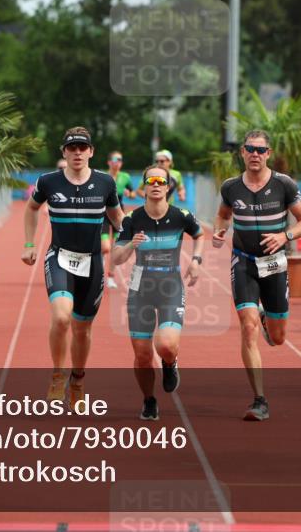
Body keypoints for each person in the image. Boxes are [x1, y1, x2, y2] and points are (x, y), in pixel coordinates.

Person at [211, 130, 301, 421]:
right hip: (243, 261)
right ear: (242, 153)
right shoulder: (231, 187)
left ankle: (270, 319)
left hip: (274, 264)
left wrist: (285, 236)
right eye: (249, 149)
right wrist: (220, 230)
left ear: (268, 153)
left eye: (260, 149)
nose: (255, 154)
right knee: (247, 325)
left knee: (279, 338)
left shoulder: (284, 184)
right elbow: (223, 215)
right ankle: (259, 399)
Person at [23, 127, 125, 409]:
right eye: (72, 148)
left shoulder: (106, 183)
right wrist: (29, 243)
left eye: (83, 148)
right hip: (59, 257)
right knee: (61, 317)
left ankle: (77, 380)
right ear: (64, 152)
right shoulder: (48, 181)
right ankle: (58, 375)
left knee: (82, 329)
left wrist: (130, 240)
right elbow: (31, 209)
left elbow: (117, 217)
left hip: (92, 262)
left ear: (91, 151)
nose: (77, 153)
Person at [113, 165, 205, 421]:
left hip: (170, 286)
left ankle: (169, 362)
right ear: (143, 187)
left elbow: (200, 235)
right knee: (142, 355)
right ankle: (149, 400)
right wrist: (132, 244)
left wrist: (196, 261)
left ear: (167, 187)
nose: (156, 184)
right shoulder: (132, 219)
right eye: (150, 180)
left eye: (160, 181)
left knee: (165, 344)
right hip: (140, 288)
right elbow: (116, 258)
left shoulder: (181, 216)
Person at [102, 150, 135, 289]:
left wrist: (129, 193)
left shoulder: (125, 177)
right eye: (115, 159)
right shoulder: (103, 176)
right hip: (103, 214)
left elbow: (133, 193)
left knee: (116, 248)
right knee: (105, 247)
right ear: (109, 162)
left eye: (120, 160)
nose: (118, 162)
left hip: (118, 214)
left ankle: (110, 277)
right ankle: (101, 261)